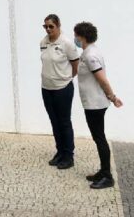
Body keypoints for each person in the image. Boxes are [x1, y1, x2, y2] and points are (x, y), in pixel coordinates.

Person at [74, 22, 123, 189]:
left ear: (82, 37)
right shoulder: (90, 51)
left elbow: (102, 79)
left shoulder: (90, 55)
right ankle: (103, 171)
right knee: (98, 137)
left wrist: (113, 97)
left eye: (76, 36)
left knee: (99, 138)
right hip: (93, 103)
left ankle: (107, 176)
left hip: (95, 104)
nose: (75, 39)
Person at [40, 14, 79, 169]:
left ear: (58, 26)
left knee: (64, 122)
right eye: (46, 26)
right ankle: (60, 152)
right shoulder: (43, 42)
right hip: (46, 88)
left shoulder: (66, 43)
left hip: (62, 88)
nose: (48, 29)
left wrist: (67, 78)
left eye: (51, 26)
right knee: (54, 122)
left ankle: (68, 156)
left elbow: (75, 64)